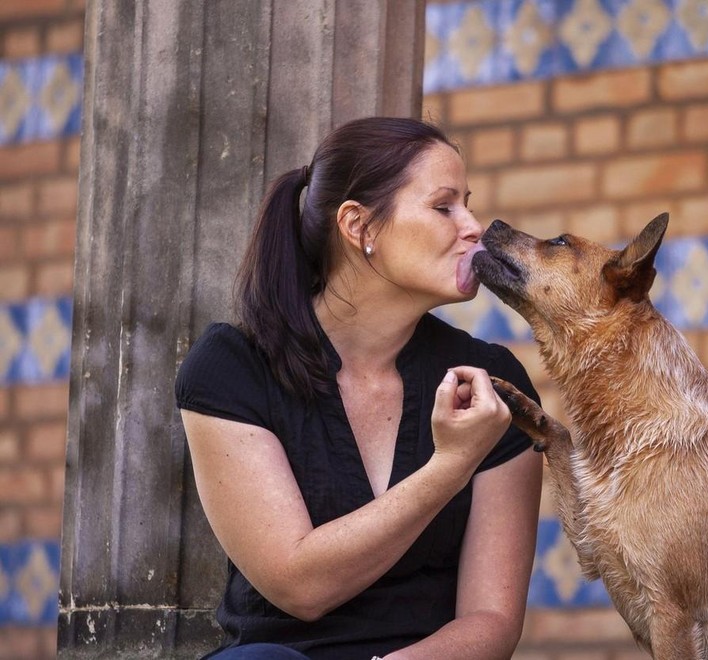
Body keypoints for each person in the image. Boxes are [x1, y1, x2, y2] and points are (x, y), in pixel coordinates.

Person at [175, 117, 544, 659]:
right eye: (444, 207)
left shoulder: (489, 382)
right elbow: (299, 586)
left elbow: (492, 621)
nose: (473, 226)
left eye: (467, 203)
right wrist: (450, 465)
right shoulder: (234, 367)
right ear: (360, 227)